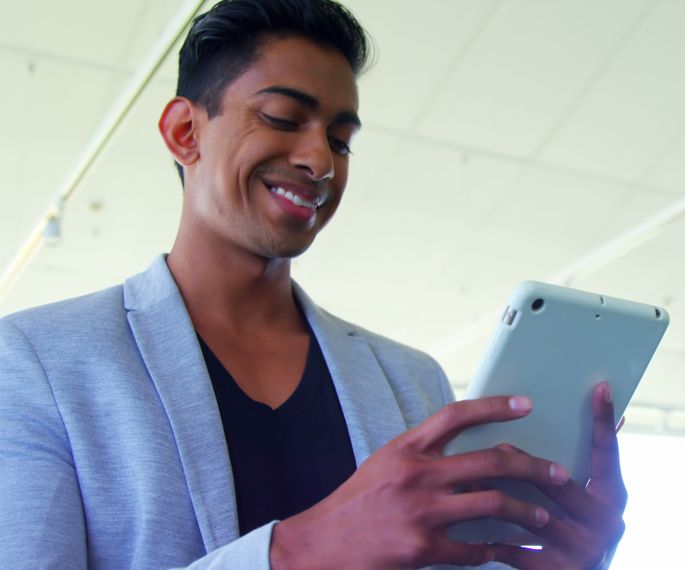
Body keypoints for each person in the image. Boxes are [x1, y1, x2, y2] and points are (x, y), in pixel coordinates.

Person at [0, 1, 627, 568]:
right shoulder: (36, 363)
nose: (320, 161)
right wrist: (298, 551)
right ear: (185, 133)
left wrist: (569, 560)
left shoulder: (412, 383)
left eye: (341, 140)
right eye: (281, 117)